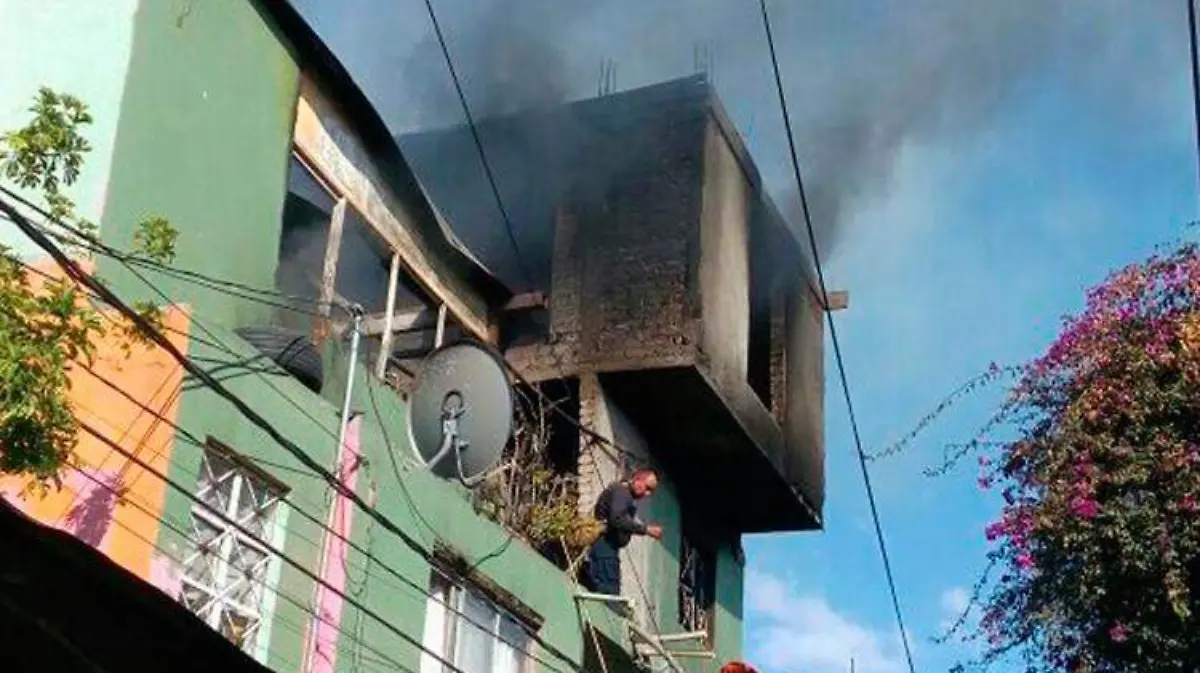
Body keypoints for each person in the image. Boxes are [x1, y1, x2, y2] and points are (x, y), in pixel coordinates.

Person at [581, 468, 662, 597]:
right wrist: (646, 530)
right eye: (647, 488)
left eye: (650, 491)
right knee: (608, 593)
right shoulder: (621, 492)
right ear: (638, 479)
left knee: (604, 588)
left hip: (608, 548)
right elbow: (617, 519)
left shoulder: (624, 493)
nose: (647, 494)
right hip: (605, 547)